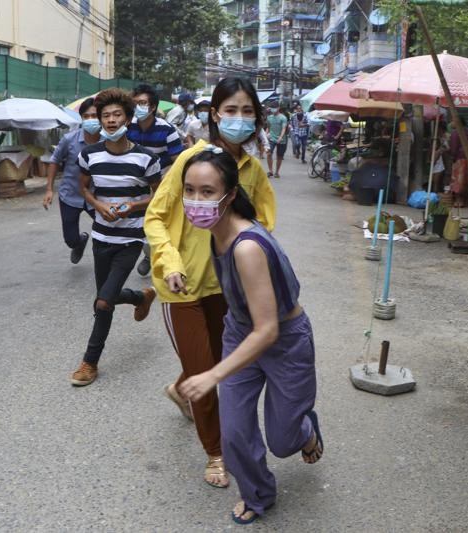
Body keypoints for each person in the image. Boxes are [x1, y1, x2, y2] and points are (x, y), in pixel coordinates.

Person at [177, 147, 322, 524]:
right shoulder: (215, 232)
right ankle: (259, 496)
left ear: (229, 194)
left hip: (284, 342)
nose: (196, 200)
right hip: (241, 333)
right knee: (235, 434)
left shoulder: (247, 247)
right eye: (189, 190)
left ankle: (306, 430)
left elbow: (269, 329)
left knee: (283, 440)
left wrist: (213, 373)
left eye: (207, 192)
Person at [144, 77, 276, 490]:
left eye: (247, 111)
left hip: (227, 289)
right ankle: (215, 453)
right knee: (206, 371)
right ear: (214, 114)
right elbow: (156, 216)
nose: (239, 119)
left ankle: (181, 388)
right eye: (231, 110)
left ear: (257, 118)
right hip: (181, 287)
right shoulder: (192, 159)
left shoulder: (252, 172)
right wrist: (170, 263)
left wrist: (254, 269)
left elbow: (264, 225)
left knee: (219, 367)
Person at [71, 88, 162, 386]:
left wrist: (132, 206)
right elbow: (84, 188)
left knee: (102, 303)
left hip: (131, 240)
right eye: (105, 115)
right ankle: (141, 296)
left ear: (127, 117)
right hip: (101, 237)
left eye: (116, 115)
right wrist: (99, 205)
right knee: (104, 297)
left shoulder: (145, 158)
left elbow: (158, 195)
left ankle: (89, 362)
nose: (110, 120)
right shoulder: (89, 155)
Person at [128, 84, 184, 277]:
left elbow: (179, 162)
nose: (138, 107)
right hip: (136, 181)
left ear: (152, 107)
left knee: (156, 221)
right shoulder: (127, 126)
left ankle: (149, 254)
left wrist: (166, 185)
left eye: (142, 103)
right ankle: (146, 251)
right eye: (134, 103)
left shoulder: (167, 130)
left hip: (161, 181)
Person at [42, 97, 100, 264]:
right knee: (70, 239)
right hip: (70, 195)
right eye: (87, 116)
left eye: (95, 115)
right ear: (81, 118)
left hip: (96, 198)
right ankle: (79, 242)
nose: (91, 119)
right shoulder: (69, 139)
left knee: (107, 230)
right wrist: (49, 189)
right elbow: (54, 161)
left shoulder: (108, 141)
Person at [448, 116, 468, 208]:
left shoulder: (456, 133)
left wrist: (452, 159)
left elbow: (454, 149)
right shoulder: (466, 132)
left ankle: (459, 201)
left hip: (461, 158)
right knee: (466, 180)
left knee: (458, 180)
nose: (451, 123)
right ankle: (463, 201)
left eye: (453, 121)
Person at [265, 106, 288, 178]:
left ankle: (277, 172)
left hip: (281, 139)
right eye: (272, 108)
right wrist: (265, 135)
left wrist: (280, 137)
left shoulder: (283, 118)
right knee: (269, 153)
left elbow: (284, 128)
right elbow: (268, 127)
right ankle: (270, 171)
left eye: (274, 107)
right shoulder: (269, 117)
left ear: (278, 108)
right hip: (271, 138)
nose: (273, 109)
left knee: (279, 156)